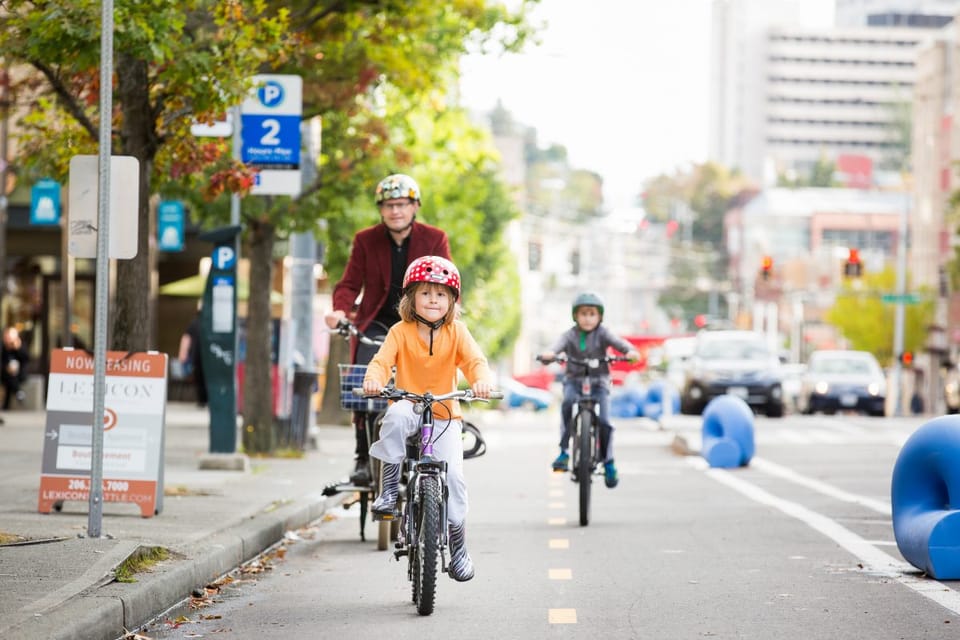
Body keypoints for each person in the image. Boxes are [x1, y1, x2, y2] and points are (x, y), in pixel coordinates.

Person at [362, 256, 493, 582]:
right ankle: (390, 489)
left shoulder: (457, 332)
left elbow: (475, 361)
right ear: (411, 298)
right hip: (408, 402)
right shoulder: (399, 331)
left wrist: (481, 381)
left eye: (441, 294)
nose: (433, 299)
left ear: (451, 301)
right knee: (391, 420)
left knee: (456, 480)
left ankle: (459, 546)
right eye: (425, 293)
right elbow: (381, 362)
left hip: (446, 412)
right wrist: (373, 380)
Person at [324, 173, 451, 486]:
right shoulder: (365, 240)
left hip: (421, 323)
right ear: (381, 209)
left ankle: (428, 444)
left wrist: (445, 314)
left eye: (402, 204)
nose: (396, 211)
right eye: (389, 205)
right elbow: (350, 283)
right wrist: (340, 311)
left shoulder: (434, 238)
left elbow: (445, 280)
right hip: (377, 323)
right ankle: (363, 457)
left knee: (428, 387)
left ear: (415, 206)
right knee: (367, 382)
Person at [538, 293, 639, 489]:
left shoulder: (604, 333)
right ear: (575, 316)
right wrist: (550, 354)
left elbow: (621, 344)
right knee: (567, 404)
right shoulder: (569, 335)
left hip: (599, 381)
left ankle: (608, 461)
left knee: (605, 421)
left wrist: (629, 352)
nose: (587, 318)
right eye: (583, 313)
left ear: (599, 316)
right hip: (574, 380)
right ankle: (564, 452)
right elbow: (556, 347)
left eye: (592, 314)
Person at [178, 309, 207, 407]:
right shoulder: (210, 324)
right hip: (208, 357)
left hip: (196, 356)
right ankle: (206, 400)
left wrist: (183, 354)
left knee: (199, 378)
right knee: (206, 378)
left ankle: (202, 400)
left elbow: (186, 339)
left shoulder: (193, 323)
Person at [1, 326, 29, 412]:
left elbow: (26, 359)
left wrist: (18, 349)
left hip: (18, 374)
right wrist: (6, 368)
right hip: (4, 373)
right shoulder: (2, 347)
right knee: (9, 376)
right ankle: (18, 392)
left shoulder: (20, 346)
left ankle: (6, 405)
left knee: (11, 377)